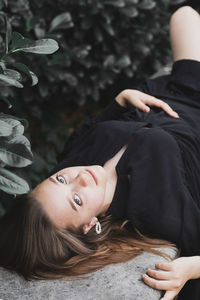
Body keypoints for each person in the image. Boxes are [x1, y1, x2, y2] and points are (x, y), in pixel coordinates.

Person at [1, 5, 200, 300]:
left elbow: (88, 129)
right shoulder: (157, 212)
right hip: (196, 110)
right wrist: (192, 268)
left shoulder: (75, 162)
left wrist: (120, 101)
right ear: (88, 226)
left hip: (170, 89)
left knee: (183, 14)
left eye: (58, 180)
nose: (78, 177)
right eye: (77, 200)